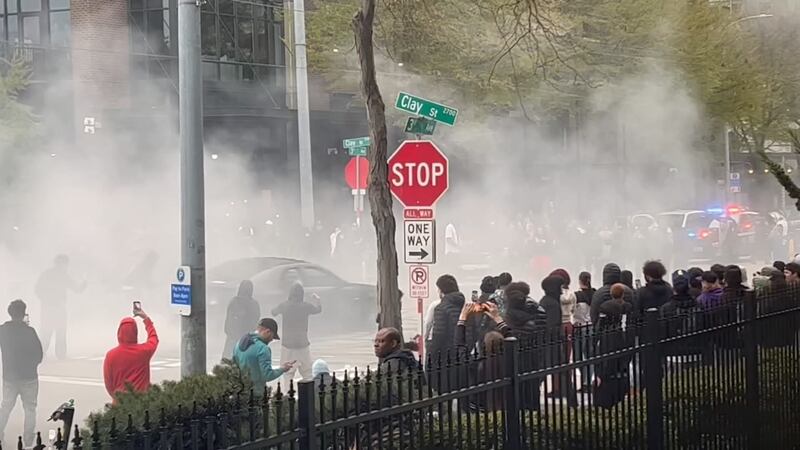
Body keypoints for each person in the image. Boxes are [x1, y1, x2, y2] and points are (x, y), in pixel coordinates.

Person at [0, 300, 42, 447]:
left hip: (9, 377)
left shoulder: (3, 330)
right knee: (30, 409)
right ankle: (29, 440)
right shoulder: (29, 331)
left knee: (5, 407)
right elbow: (39, 355)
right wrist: (32, 364)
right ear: (23, 312)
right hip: (29, 377)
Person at [35, 255, 87, 359]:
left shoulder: (48, 274)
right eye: (65, 264)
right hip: (55, 307)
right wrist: (84, 284)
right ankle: (59, 354)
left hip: (50, 308)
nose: (66, 267)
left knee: (49, 331)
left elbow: (37, 290)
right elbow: (77, 289)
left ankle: (42, 353)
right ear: (62, 264)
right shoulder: (62, 276)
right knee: (57, 331)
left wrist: (45, 300)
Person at [103, 306, 159, 401]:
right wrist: (146, 319)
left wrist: (117, 398)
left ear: (119, 333)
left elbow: (108, 383)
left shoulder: (110, 355)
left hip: (120, 404)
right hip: (141, 403)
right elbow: (153, 338)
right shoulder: (144, 351)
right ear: (135, 332)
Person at [271, 283, 322, 386]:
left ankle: (286, 397)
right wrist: (318, 300)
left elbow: (273, 312)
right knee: (307, 373)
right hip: (303, 344)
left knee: (287, 373)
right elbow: (318, 310)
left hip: (287, 345)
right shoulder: (306, 306)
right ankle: (309, 398)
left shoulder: (284, 305)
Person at [594, 283, 633, 408]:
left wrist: (596, 339)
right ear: (622, 294)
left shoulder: (605, 307)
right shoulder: (628, 306)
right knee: (622, 364)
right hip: (623, 339)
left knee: (607, 365)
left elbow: (600, 326)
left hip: (608, 340)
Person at [233, 318, 293, 396]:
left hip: (239, 392)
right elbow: (267, 375)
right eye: (273, 336)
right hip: (256, 393)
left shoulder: (239, 344)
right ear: (267, 331)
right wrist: (283, 369)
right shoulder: (263, 349)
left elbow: (233, 368)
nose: (272, 340)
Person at [427, 275, 472, 371]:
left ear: (442, 290)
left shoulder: (441, 308)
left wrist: (432, 355)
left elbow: (439, 335)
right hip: (463, 353)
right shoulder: (465, 307)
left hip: (446, 355)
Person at [222, 280, 261, 360]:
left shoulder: (234, 302)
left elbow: (228, 319)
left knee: (228, 360)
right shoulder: (254, 304)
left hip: (232, 337)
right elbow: (256, 320)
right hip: (247, 338)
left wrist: (228, 332)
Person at [573, 272, 595, 392]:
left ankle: (584, 380)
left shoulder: (577, 296)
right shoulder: (594, 294)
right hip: (591, 327)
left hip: (580, 327)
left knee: (578, 356)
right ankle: (587, 381)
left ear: (580, 281)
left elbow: (573, 311)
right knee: (589, 355)